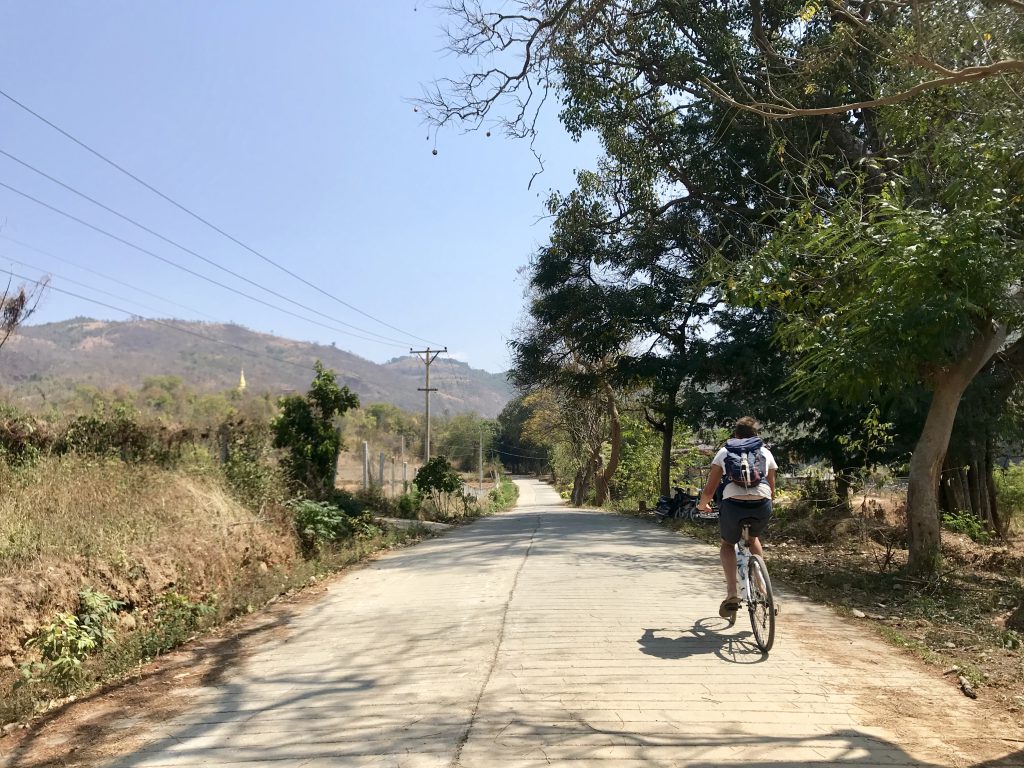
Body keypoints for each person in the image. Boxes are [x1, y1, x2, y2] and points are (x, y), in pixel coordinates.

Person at [696, 416, 777, 620]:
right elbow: (772, 489)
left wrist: (702, 504)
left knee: (726, 544)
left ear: (736, 434)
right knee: (753, 540)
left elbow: (710, 488)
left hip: (733, 505)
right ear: (755, 435)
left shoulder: (725, 452)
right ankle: (763, 590)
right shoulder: (765, 452)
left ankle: (732, 593)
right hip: (761, 504)